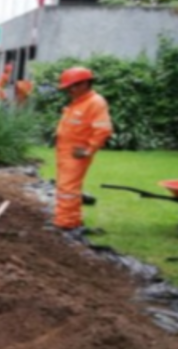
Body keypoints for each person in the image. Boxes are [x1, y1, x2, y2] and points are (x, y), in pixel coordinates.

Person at [53, 66, 113, 231]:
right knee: (66, 187)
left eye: (72, 86)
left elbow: (103, 129)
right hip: (66, 151)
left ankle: (66, 223)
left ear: (85, 84)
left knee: (68, 188)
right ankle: (69, 219)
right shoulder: (79, 103)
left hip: (76, 153)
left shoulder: (94, 103)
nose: (69, 91)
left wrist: (88, 150)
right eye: (67, 87)